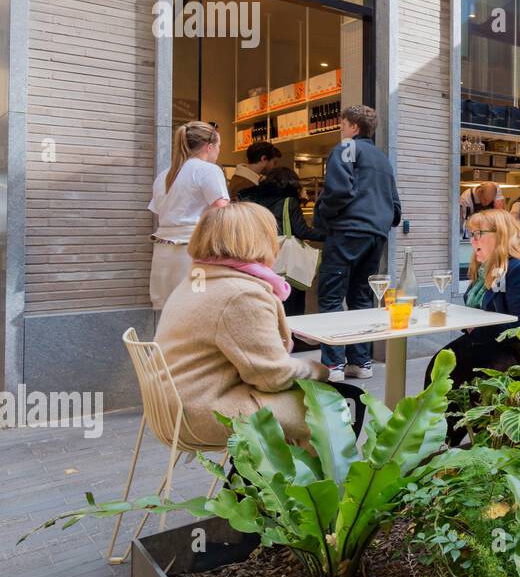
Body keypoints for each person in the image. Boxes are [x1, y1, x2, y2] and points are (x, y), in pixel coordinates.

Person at [153, 202, 362, 449]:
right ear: (257, 240)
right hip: (206, 413)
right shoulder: (240, 294)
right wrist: (321, 371)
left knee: (316, 398)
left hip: (175, 407)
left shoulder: (198, 280)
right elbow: (272, 377)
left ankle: (264, 480)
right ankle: (309, 486)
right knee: (339, 404)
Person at [432, 208, 520, 446]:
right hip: (500, 339)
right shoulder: (488, 269)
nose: (472, 240)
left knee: (469, 369)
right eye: (470, 233)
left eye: (478, 234)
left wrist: (475, 330)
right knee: (444, 361)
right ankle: (447, 438)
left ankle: (474, 440)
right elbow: (477, 312)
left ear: (501, 235)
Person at [315, 105, 402, 383]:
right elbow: (396, 207)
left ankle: (333, 365)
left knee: (330, 296)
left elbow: (339, 190)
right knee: (361, 297)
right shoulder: (383, 159)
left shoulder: (348, 148)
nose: (341, 129)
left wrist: (323, 214)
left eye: (342, 124)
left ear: (353, 127)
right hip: (376, 235)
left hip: (347, 230)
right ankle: (360, 361)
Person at [148, 121, 231, 310]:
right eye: (218, 147)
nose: (218, 152)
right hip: (194, 254)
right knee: (197, 311)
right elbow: (222, 211)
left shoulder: (164, 175)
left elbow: (158, 215)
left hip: (163, 255)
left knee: (171, 315)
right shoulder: (208, 170)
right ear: (209, 147)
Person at [241, 167, 325, 319]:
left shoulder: (253, 199)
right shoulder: (288, 201)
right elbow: (302, 231)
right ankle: (290, 338)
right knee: (291, 306)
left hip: (258, 259)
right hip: (286, 263)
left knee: (265, 303)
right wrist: (330, 235)